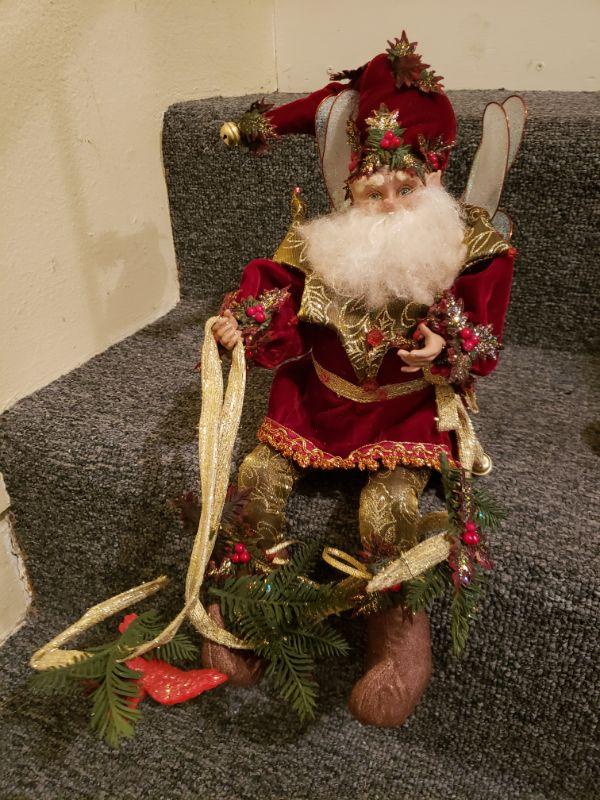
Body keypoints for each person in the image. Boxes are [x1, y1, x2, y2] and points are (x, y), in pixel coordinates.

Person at [204, 33, 514, 727]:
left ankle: (398, 640)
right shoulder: (322, 247)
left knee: (389, 507)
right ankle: (244, 609)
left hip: (406, 411)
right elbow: (277, 295)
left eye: (407, 188)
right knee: (256, 478)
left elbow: (482, 331)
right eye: (375, 189)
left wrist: (447, 344)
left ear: (434, 182)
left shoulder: (466, 250)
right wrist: (244, 322)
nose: (391, 201)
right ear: (351, 188)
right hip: (318, 401)